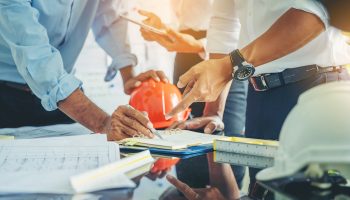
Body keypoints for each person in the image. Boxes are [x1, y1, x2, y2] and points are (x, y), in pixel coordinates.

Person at [166, 0, 350, 193]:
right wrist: (214, 111)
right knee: (263, 191)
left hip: (314, 89)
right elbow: (225, 23)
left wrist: (230, 65)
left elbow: (316, 12)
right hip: (259, 94)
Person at [0, 0, 169, 140]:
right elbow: (34, 53)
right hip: (6, 98)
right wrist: (103, 123)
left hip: (65, 99)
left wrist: (128, 74)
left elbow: (108, 13)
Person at [138, 1, 247, 189]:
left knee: (225, 144)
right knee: (184, 143)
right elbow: (193, 19)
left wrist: (198, 45)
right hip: (185, 56)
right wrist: (166, 31)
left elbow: (234, 20)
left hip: (227, 58)